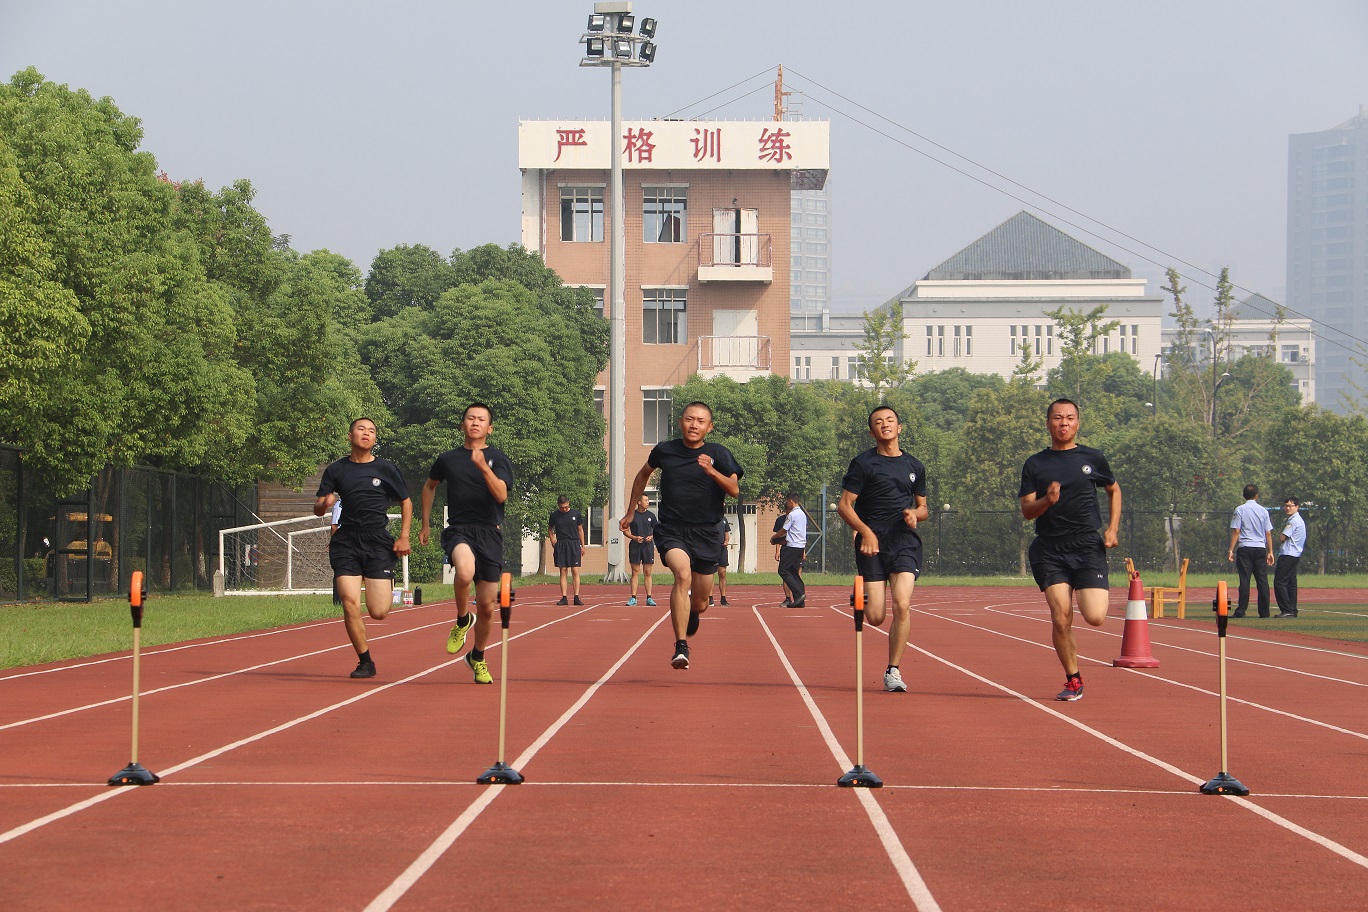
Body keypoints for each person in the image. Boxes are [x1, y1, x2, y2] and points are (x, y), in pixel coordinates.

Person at [620, 401, 742, 670]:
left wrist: (711, 470)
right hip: (673, 529)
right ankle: (681, 645)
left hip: (708, 532)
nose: (694, 425)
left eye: (700, 421)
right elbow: (642, 475)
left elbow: (734, 489)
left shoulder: (719, 453)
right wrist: (630, 512)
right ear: (680, 422)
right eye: (689, 419)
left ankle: (694, 612)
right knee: (682, 574)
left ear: (709, 427)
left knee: (700, 601)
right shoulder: (666, 450)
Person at [1019, 398, 1121, 702]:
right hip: (1050, 548)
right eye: (1057, 418)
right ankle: (1073, 679)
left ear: (1078, 423)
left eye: (1070, 418)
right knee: (1061, 616)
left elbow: (1113, 490)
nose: (1064, 423)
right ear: (1048, 423)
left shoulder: (1093, 458)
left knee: (1095, 617)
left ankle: (1084, 594)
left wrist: (1113, 528)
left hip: (1087, 545)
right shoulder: (1035, 464)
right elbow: (1026, 510)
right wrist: (1047, 501)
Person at [419, 403, 514, 685]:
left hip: (489, 533)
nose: (475, 422)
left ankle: (478, 656)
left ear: (489, 428)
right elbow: (429, 486)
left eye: (481, 419)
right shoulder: (448, 459)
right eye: (470, 418)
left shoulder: (499, 458)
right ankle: (462, 620)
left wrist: (483, 467)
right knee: (464, 571)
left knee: (487, 607)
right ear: (462, 425)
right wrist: (426, 523)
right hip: (459, 529)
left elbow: (501, 496)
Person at [838, 406, 928, 693]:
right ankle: (861, 595)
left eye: (890, 420)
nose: (885, 424)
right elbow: (844, 505)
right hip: (871, 542)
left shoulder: (915, 466)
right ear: (871, 432)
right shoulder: (863, 464)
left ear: (899, 428)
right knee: (876, 617)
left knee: (902, 604)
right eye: (878, 422)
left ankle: (893, 670)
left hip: (904, 540)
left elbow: (924, 507)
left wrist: (916, 514)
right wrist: (865, 531)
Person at [314, 418, 413, 679]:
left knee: (379, 612)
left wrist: (404, 536)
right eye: (361, 429)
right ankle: (365, 662)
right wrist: (325, 503)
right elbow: (317, 509)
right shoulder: (336, 470)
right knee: (349, 603)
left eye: (371, 430)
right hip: (346, 540)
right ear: (350, 435)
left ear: (375, 438)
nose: (366, 433)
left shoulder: (386, 468)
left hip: (377, 541)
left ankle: (384, 583)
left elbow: (406, 501)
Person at [1227, 483, 1274, 618]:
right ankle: (1264, 612)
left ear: (1244, 495)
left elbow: (1236, 531)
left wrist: (1231, 549)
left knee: (1245, 580)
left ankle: (1241, 610)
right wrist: (1270, 551)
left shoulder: (1240, 510)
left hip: (1245, 548)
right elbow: (1268, 533)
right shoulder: (1263, 511)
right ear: (1256, 495)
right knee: (1262, 581)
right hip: (1260, 548)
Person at [548, 495, 586, 605]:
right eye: (561, 507)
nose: (563, 509)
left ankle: (576, 597)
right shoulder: (554, 515)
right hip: (561, 544)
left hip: (574, 543)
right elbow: (550, 529)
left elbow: (580, 529)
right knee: (563, 570)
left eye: (565, 507)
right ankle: (564, 597)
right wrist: (553, 541)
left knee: (575, 570)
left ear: (568, 503)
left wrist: (582, 546)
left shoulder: (576, 514)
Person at [1274, 496, 1305, 618]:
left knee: (1279, 582)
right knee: (1291, 583)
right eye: (1286, 506)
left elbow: (1282, 537)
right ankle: (1292, 609)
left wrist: (1280, 536)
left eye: (1290, 505)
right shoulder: (1298, 520)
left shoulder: (1293, 520)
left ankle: (1287, 609)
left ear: (1297, 507)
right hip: (1295, 554)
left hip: (1288, 554)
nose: (1287, 508)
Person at [776, 493, 808, 607]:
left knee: (783, 570)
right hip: (800, 547)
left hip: (791, 546)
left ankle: (799, 594)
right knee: (794, 572)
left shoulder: (792, 515)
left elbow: (784, 530)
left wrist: (774, 537)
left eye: (787, 501)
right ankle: (800, 601)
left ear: (790, 501)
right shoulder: (803, 515)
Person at [627, 494, 658, 607]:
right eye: (645, 500)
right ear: (639, 502)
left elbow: (657, 529)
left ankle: (649, 598)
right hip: (635, 546)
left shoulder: (651, 516)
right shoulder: (632, 515)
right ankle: (633, 598)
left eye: (648, 500)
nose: (648, 502)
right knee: (635, 572)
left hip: (647, 547)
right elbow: (625, 530)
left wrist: (652, 536)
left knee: (648, 572)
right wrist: (634, 537)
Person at [710, 520, 731, 607]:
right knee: (710, 573)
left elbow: (726, 533)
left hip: (722, 549)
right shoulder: (709, 518)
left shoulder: (724, 519)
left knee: (722, 573)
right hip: (711, 549)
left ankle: (723, 598)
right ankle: (710, 598)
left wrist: (726, 541)